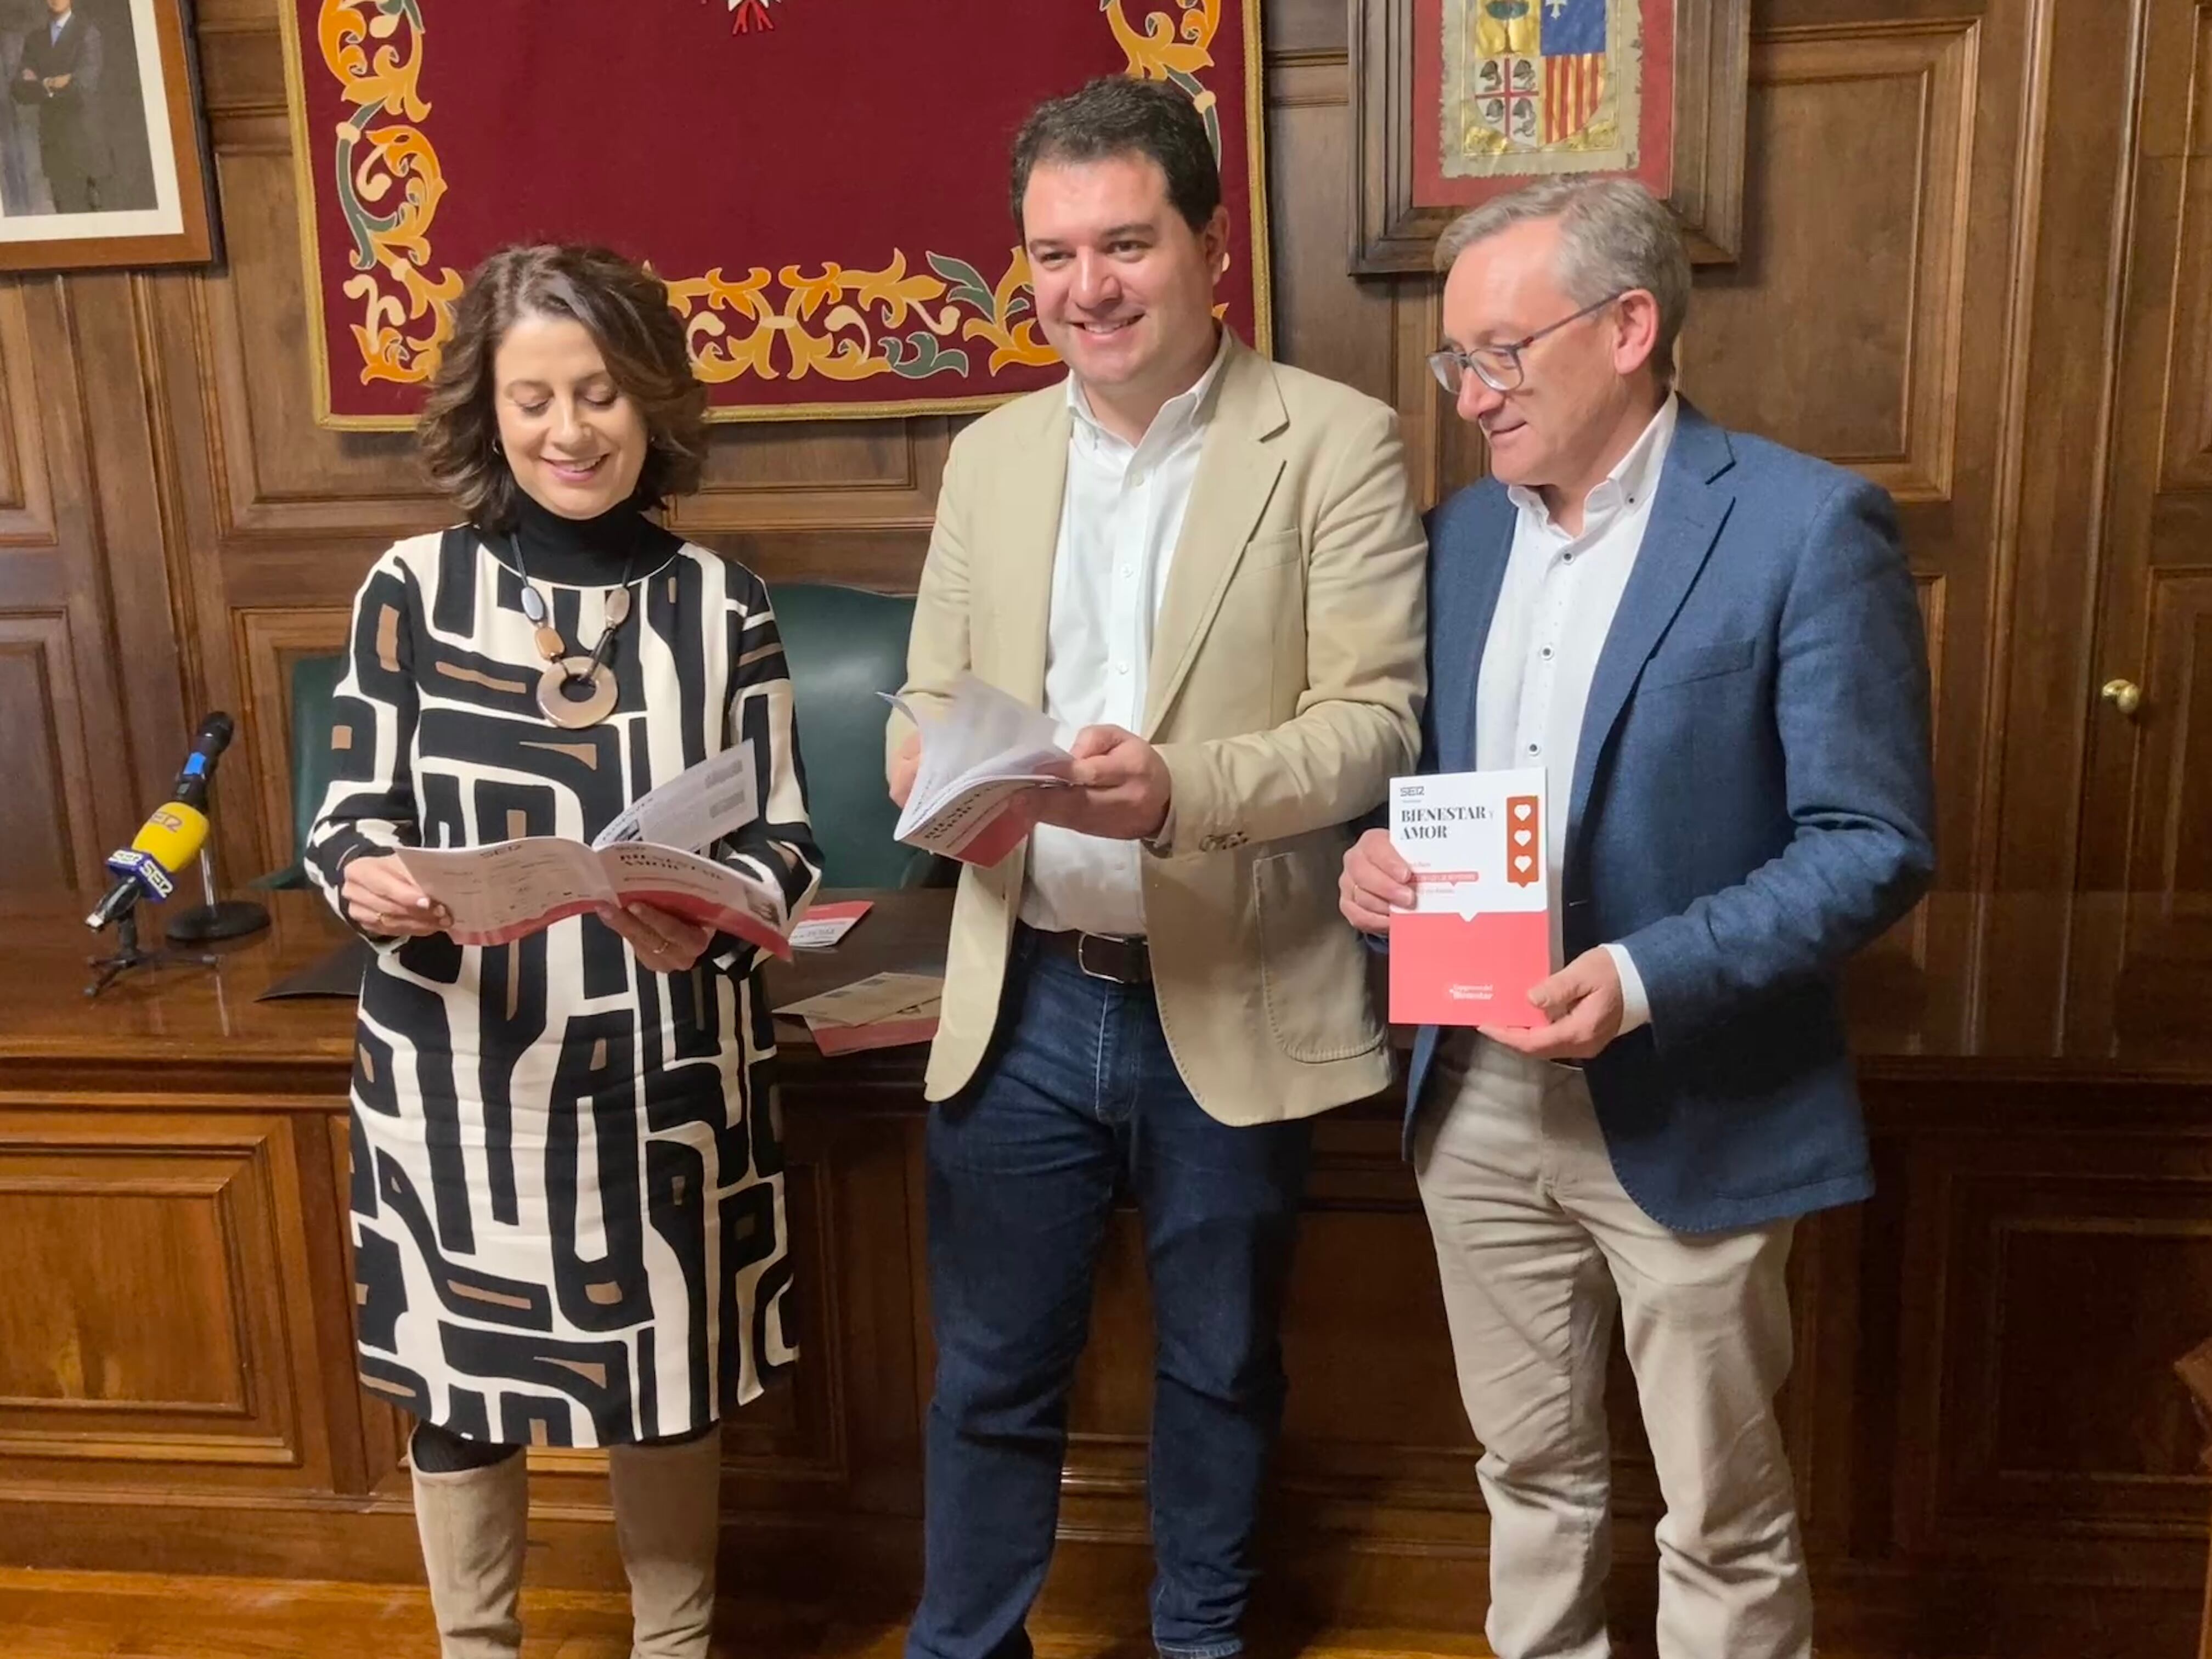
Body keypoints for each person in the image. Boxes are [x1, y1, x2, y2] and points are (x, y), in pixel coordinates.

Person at [1338, 176, 1936, 1659]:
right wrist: (1373, 867)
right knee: (1527, 1476)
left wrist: (1643, 974)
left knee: (1718, 1517)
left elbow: (1871, 843)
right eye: (1455, 359)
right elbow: (1423, 785)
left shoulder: (1805, 525)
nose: (1471, 395)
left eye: (1500, 353)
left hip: (1695, 1096)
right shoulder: (1454, 542)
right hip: (1473, 1093)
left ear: (1627, 328)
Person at [887, 75, 1428, 1659]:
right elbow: (928, 690)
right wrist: (919, 758)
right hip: (1023, 994)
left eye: (1125, 244)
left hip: (1234, 990)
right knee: (991, 1376)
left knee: (1219, 1367)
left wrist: (1183, 790)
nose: (1089, 289)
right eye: (1054, 256)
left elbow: (1377, 723)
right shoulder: (990, 457)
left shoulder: (1334, 442)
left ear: (1211, 246)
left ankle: (1201, 1643)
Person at [306, 242, 822, 1659]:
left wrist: (717, 913)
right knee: (459, 1390)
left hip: (666, 1072)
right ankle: (478, 1648)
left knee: (668, 1380)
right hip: (462, 1080)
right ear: (488, 412)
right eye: (531, 399)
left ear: (650, 398)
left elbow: (786, 841)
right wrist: (367, 878)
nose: (569, 430)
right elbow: (344, 818)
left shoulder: (723, 603)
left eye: (598, 392)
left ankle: (676, 1646)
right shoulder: (410, 589)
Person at [13, 0, 110, 212]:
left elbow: (84, 85)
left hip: (84, 142)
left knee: (94, 217)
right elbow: (19, 90)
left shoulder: (87, 34)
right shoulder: (35, 40)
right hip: (53, 144)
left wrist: (40, 83)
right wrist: (53, 83)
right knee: (63, 214)